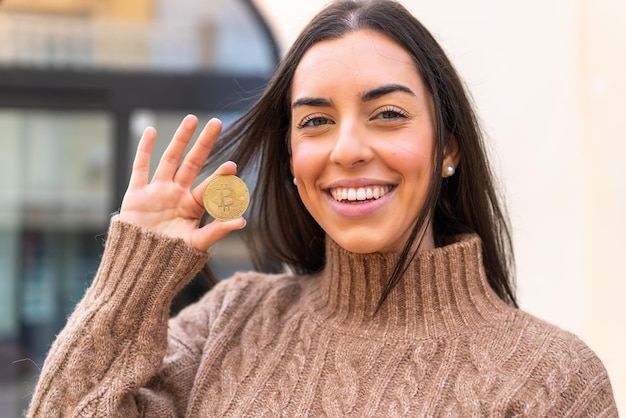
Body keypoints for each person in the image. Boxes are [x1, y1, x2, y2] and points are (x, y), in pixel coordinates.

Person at [27, 0, 617, 416]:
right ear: (290, 157)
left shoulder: (552, 380)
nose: (348, 150)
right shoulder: (227, 322)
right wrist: (132, 282)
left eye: (388, 114)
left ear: (448, 148)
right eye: (315, 122)